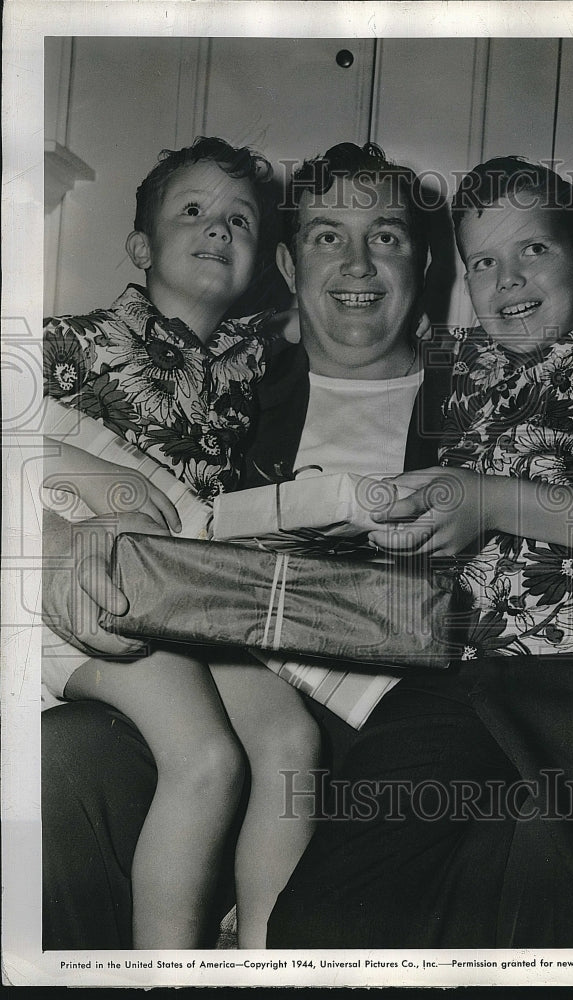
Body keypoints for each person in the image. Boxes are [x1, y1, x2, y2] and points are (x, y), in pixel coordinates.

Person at [41, 143, 573, 950]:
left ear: (423, 261)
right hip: (248, 703)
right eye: (325, 236)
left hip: (429, 690)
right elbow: (80, 447)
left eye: (384, 235)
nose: (356, 262)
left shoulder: (492, 371)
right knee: (66, 761)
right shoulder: (225, 377)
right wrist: (60, 531)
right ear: (284, 260)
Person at [41, 137, 319, 949]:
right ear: (140, 247)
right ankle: (165, 967)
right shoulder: (75, 341)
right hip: (95, 577)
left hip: (184, 583)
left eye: (238, 219)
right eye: (191, 211)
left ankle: (264, 955)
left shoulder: (246, 368)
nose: (216, 229)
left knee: (291, 738)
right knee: (206, 761)